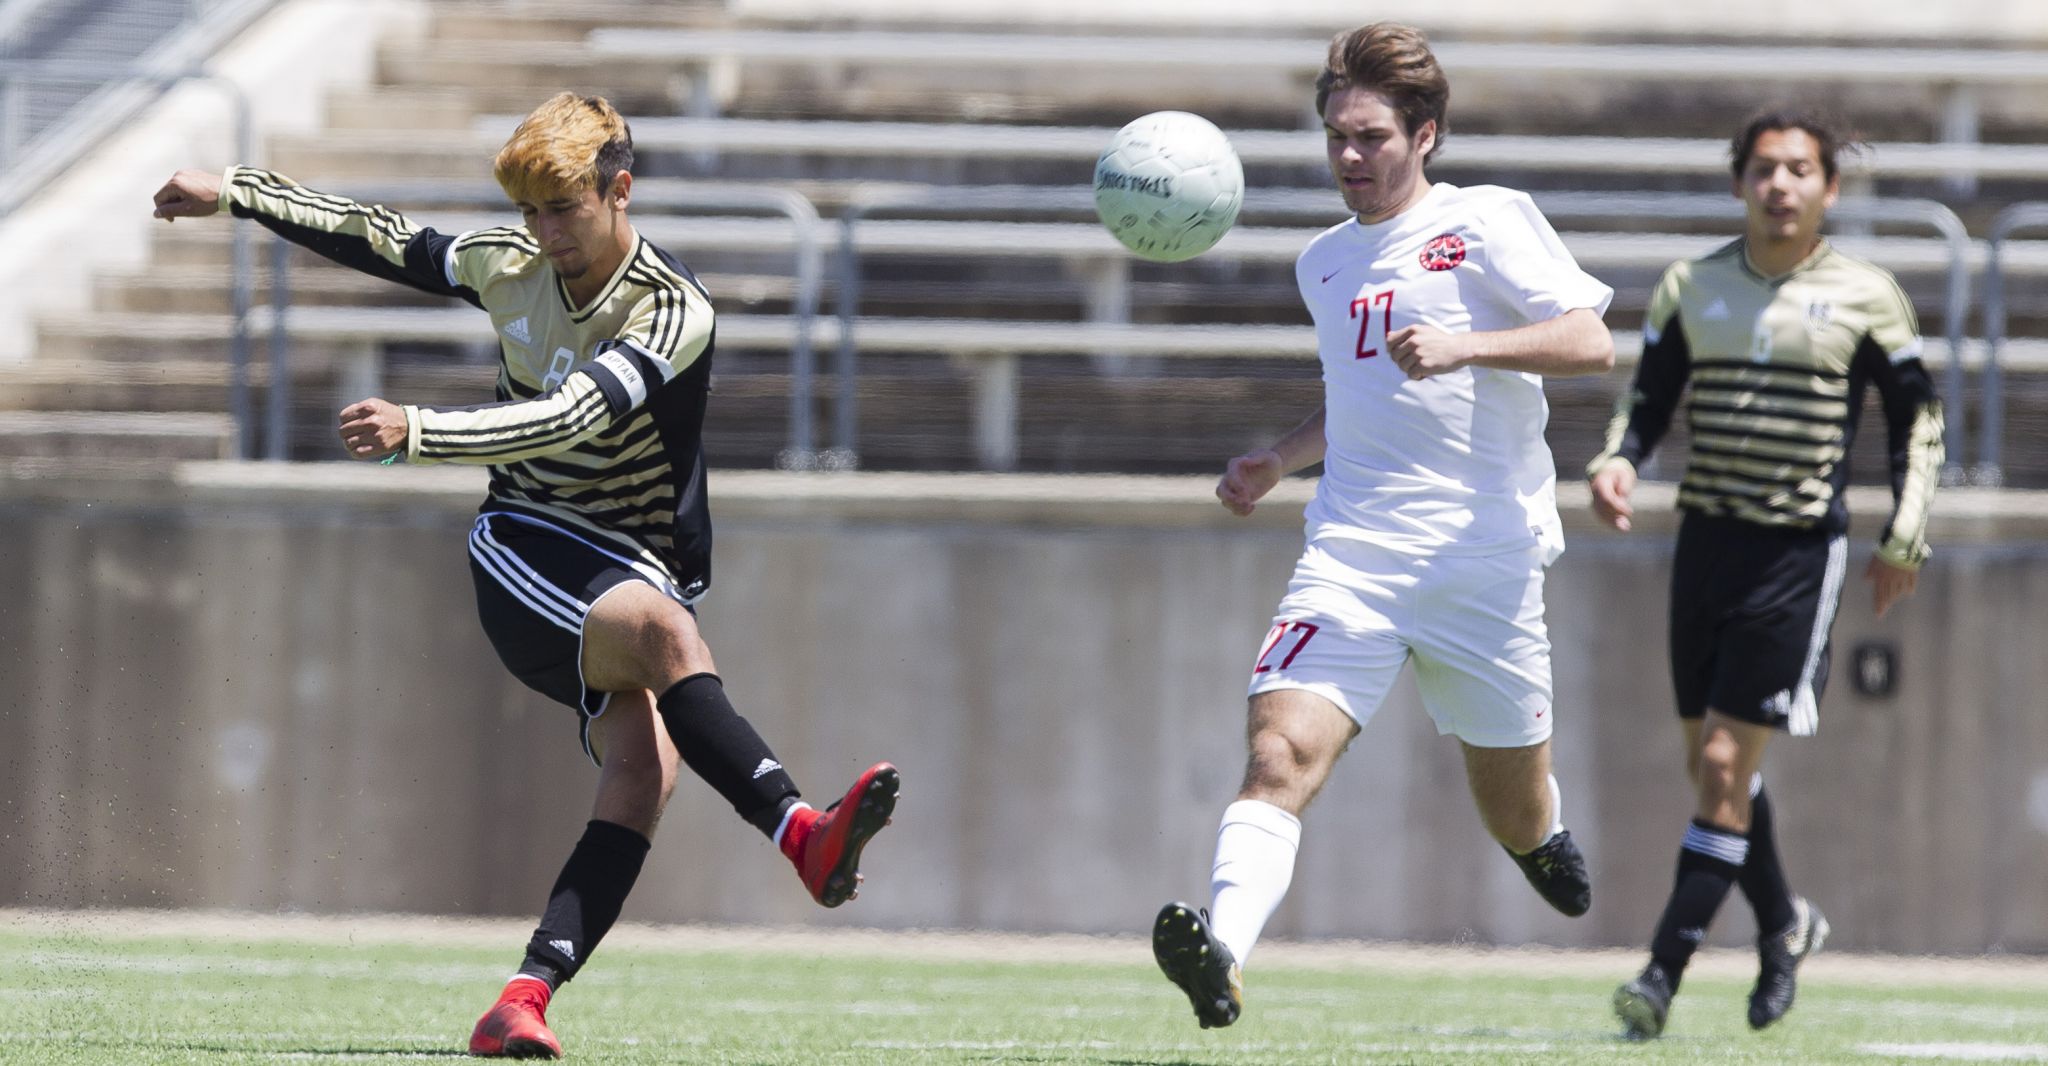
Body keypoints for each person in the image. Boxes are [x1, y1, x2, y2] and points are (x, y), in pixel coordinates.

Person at [150, 93, 901, 1060]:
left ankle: (521, 1000)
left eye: (565, 211)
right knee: (668, 640)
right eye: (531, 214)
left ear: (619, 190)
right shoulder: (511, 265)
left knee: (643, 772)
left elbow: (572, 416)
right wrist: (238, 192)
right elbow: (386, 238)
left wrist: (420, 432)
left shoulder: (675, 311)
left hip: (625, 558)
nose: (545, 235)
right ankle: (803, 834)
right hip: (524, 544)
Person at [1152, 22, 1615, 1030]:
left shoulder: (1488, 220)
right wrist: (1278, 457)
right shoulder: (1322, 264)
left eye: (1370, 137)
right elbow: (1358, 399)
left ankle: (1541, 834)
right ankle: (1221, 954)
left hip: (1481, 564)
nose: (1351, 158)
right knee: (1278, 754)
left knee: (1512, 804)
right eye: (1335, 139)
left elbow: (1588, 339)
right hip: (1351, 556)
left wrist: (1465, 347)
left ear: (1425, 135)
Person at [1589, 108, 1942, 1039]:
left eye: (1798, 170)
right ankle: (1784, 924)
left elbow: (1916, 420)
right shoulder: (1691, 284)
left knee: (1717, 767)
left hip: (1796, 554)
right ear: (1739, 181)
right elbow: (1647, 401)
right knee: (1719, 779)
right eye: (1763, 169)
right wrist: (1616, 460)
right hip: (1704, 544)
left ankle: (1659, 978)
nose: (1780, 184)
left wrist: (1905, 531)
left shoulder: (1868, 294)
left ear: (1829, 187)